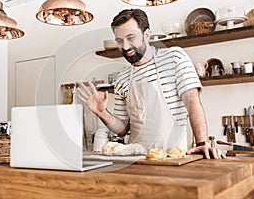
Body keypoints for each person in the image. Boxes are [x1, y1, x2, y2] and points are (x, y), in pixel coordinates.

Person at [77, 9, 225, 159]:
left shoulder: (174, 57)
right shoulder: (122, 77)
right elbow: (122, 129)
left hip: (173, 157)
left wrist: (202, 143)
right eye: (120, 41)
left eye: (131, 37)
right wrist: (102, 113)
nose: (125, 46)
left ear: (147, 34)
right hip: (136, 160)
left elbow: (193, 102)